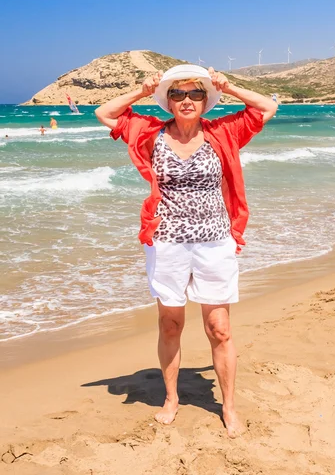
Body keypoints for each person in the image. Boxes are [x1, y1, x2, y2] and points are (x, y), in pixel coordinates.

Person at [95, 65, 277, 437]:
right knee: (170, 324)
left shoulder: (223, 131)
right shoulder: (150, 132)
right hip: (167, 244)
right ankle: (172, 398)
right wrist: (142, 91)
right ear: (168, 102)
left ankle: (228, 406)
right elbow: (105, 113)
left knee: (219, 328)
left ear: (207, 100)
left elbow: (265, 108)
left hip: (215, 241)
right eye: (177, 94)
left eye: (196, 93)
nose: (187, 100)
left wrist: (230, 86)